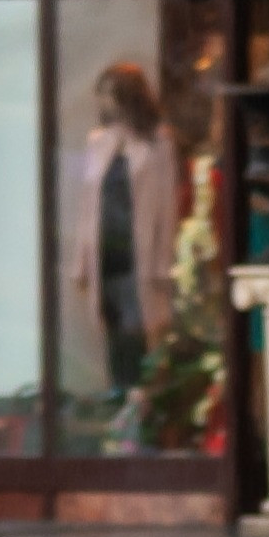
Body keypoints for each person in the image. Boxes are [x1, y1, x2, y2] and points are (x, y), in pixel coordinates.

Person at [69, 63, 176, 397]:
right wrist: (81, 261)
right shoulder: (99, 142)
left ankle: (144, 398)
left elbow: (166, 204)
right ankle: (119, 392)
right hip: (107, 248)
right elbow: (88, 206)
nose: (104, 105)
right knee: (113, 323)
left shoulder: (158, 142)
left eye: (109, 96)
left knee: (143, 326)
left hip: (139, 246)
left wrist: (164, 261)